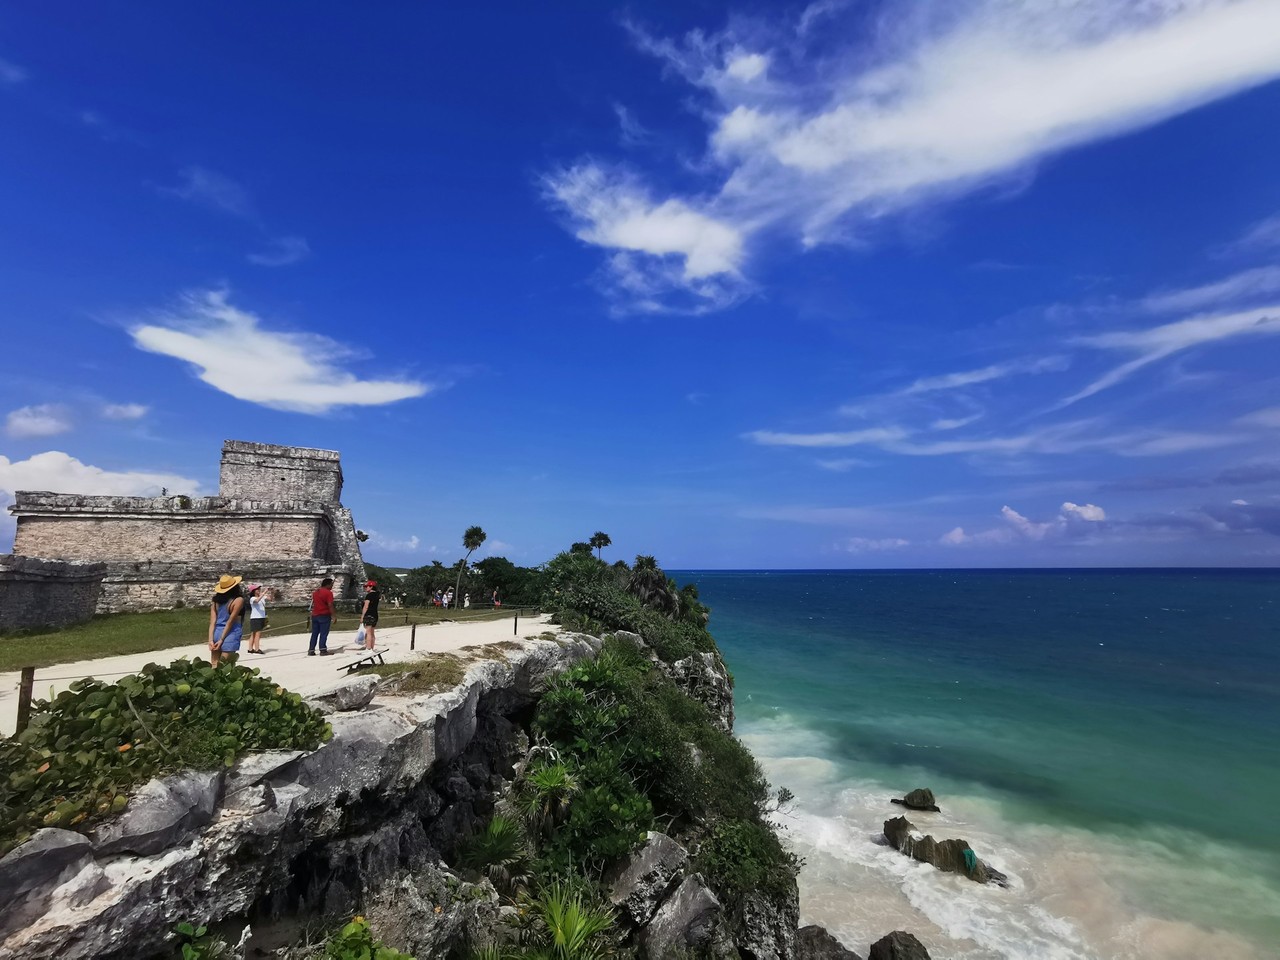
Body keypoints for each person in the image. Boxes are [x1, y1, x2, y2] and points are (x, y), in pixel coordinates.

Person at [209, 574, 246, 667]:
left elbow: (212, 622)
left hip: (216, 632)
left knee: (214, 665)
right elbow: (230, 621)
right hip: (230, 633)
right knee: (225, 667)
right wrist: (222, 639)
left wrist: (210, 640)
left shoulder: (215, 601)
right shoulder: (238, 600)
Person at [309, 577, 336, 656]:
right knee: (323, 633)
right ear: (327, 585)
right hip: (324, 614)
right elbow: (330, 605)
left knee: (315, 633)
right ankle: (323, 650)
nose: (332, 587)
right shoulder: (328, 593)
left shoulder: (315, 592)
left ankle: (311, 649)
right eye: (331, 585)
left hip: (315, 614)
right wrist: (333, 616)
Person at [358, 579, 380, 651]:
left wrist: (362, 616)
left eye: (367, 586)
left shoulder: (369, 595)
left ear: (371, 587)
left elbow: (366, 606)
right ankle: (372, 647)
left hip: (369, 614)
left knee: (368, 633)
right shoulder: (377, 595)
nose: (365, 588)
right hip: (375, 614)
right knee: (372, 633)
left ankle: (368, 648)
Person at [246, 584, 268, 654]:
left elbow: (270, 598)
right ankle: (257, 649)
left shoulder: (262, 597)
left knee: (254, 633)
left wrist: (272, 592)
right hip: (255, 618)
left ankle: (250, 648)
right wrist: (264, 593)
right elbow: (257, 601)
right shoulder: (252, 598)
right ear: (254, 591)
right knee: (256, 634)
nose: (259, 590)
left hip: (261, 617)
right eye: (257, 589)